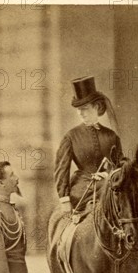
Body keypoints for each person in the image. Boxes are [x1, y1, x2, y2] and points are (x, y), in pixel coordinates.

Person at [54, 76, 123, 212]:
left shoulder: (111, 136)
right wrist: (64, 199)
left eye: (85, 108)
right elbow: (61, 170)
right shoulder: (71, 137)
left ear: (96, 107)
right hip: (81, 188)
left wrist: (107, 174)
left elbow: (120, 167)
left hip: (108, 186)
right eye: (78, 109)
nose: (81, 113)